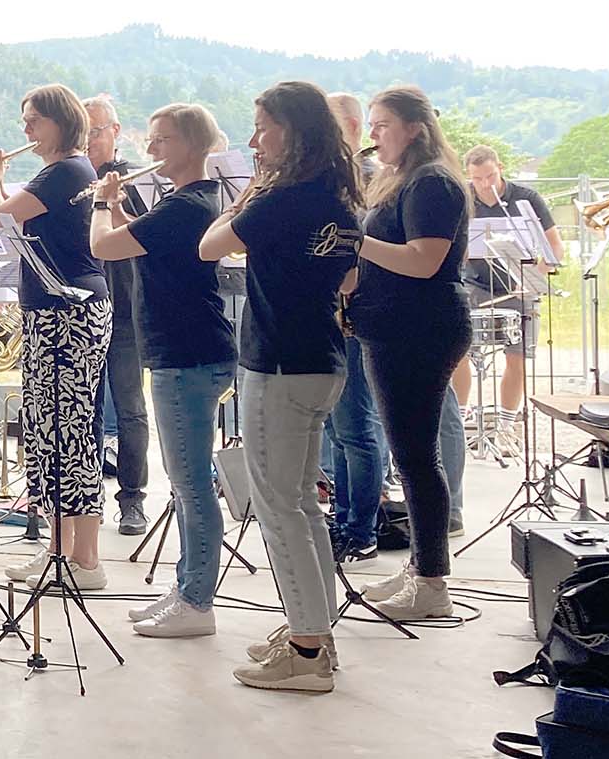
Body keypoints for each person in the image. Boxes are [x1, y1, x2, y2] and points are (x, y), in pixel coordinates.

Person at [199, 80, 360, 693]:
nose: (254, 138)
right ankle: (313, 629)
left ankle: (307, 651)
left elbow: (210, 245)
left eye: (263, 125)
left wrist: (248, 192)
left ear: (291, 130)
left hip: (279, 364)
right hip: (323, 357)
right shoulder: (339, 196)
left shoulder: (282, 196)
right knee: (303, 507)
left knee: (279, 510)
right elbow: (345, 279)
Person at [89, 104, 234, 638]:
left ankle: (197, 602)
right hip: (185, 352)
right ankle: (187, 587)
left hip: (186, 354)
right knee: (187, 482)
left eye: (161, 140)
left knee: (191, 485)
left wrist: (103, 205)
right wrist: (120, 206)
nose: (149, 151)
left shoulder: (190, 203)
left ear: (193, 145)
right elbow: (143, 242)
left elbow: (105, 246)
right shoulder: (183, 201)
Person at [347, 87, 473, 621]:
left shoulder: (432, 183)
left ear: (415, 129)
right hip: (395, 327)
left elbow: (424, 260)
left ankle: (432, 584)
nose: (372, 137)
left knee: (418, 459)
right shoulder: (402, 180)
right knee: (413, 456)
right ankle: (423, 564)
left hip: (419, 329)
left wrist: (355, 241)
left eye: (381, 126)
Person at [0, 84, 113, 590]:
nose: (27, 129)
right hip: (51, 313)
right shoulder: (59, 171)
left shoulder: (67, 170)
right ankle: (60, 551)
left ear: (61, 121)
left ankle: (85, 560)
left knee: (71, 432)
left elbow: (0, 213)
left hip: (70, 314)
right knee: (51, 432)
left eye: (34, 119)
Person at [456, 144, 565, 456]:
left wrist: (537, 273)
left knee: (516, 357)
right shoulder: (464, 199)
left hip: (518, 285)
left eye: (490, 176)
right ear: (469, 177)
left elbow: (554, 247)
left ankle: (506, 427)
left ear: (500, 168)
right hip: (476, 283)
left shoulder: (526, 199)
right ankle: (459, 424)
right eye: (477, 179)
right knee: (458, 352)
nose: (485, 184)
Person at [322, 92, 385, 561]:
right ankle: (344, 517)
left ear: (350, 126)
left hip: (357, 313)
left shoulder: (363, 178)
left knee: (356, 428)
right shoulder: (337, 175)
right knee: (341, 429)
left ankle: (360, 529)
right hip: (336, 313)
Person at [85, 94, 152, 535]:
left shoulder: (137, 180)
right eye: (83, 131)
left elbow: (150, 234)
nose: (89, 140)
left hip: (126, 310)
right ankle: (83, 498)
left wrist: (111, 201)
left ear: (115, 131)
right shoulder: (68, 176)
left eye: (96, 131)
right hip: (83, 309)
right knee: (83, 411)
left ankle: (132, 498)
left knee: (129, 408)